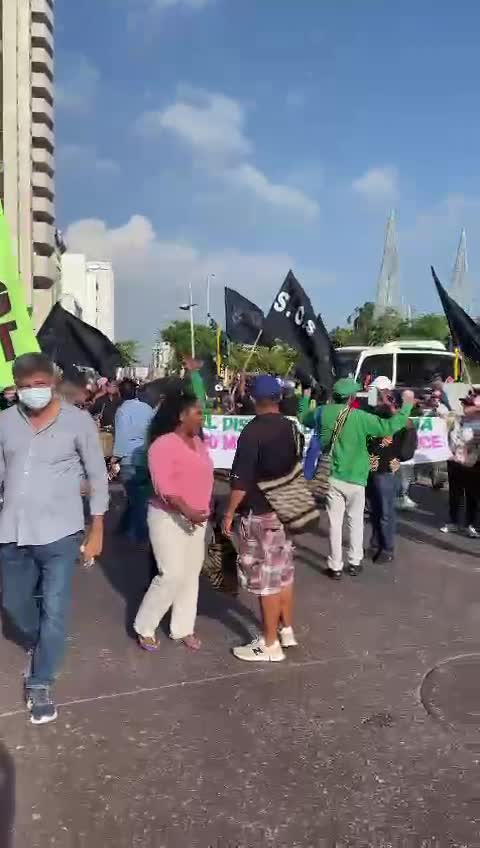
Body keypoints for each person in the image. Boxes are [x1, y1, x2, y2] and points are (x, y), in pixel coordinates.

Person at [0, 353, 108, 725]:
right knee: (14, 605)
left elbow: (97, 475)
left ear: (52, 381)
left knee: (56, 609)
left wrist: (97, 529)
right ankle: (39, 640)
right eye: (26, 387)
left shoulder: (78, 422)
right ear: (16, 388)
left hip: (61, 532)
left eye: (39, 384)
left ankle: (41, 681)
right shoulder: (4, 423)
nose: (33, 392)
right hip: (12, 530)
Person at [302, 378, 414, 579]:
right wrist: (406, 405)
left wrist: (305, 398)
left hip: (333, 476)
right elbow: (389, 427)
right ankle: (354, 562)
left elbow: (303, 417)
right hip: (358, 477)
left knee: (335, 523)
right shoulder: (361, 417)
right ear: (352, 397)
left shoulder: (321, 413)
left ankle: (335, 565)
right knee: (356, 521)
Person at [222, 375, 299, 663]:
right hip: (286, 509)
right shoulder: (291, 428)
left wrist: (228, 513)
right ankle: (286, 630)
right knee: (284, 573)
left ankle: (269, 645)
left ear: (254, 399)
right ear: (279, 398)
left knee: (266, 581)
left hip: (260, 513)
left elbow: (241, 482)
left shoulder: (252, 432)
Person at [134, 393, 213, 651]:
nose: (202, 418)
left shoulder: (199, 444)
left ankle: (182, 628)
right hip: (168, 518)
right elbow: (163, 486)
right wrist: (186, 510)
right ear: (181, 416)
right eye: (198, 413)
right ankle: (144, 626)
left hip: (197, 520)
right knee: (171, 574)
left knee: (190, 575)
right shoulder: (163, 445)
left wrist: (203, 507)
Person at [366, 378, 417, 563]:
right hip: (371, 467)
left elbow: (405, 450)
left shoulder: (402, 421)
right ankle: (374, 543)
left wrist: (395, 408)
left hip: (387, 469)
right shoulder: (373, 415)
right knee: (373, 510)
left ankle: (387, 548)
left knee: (386, 511)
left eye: (384, 394)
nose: (381, 399)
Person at [111, 379, 154, 540]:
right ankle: (124, 527)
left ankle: (139, 534)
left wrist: (114, 458)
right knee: (138, 496)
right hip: (146, 458)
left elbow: (121, 437)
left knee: (136, 499)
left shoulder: (122, 410)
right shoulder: (147, 408)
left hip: (129, 459)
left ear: (120, 393)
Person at [441, 395, 480, 537]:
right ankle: (453, 522)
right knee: (455, 494)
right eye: (464, 404)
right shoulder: (455, 419)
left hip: (472, 464)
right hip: (454, 462)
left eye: (468, 404)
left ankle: (470, 525)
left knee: (472, 496)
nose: (465, 407)